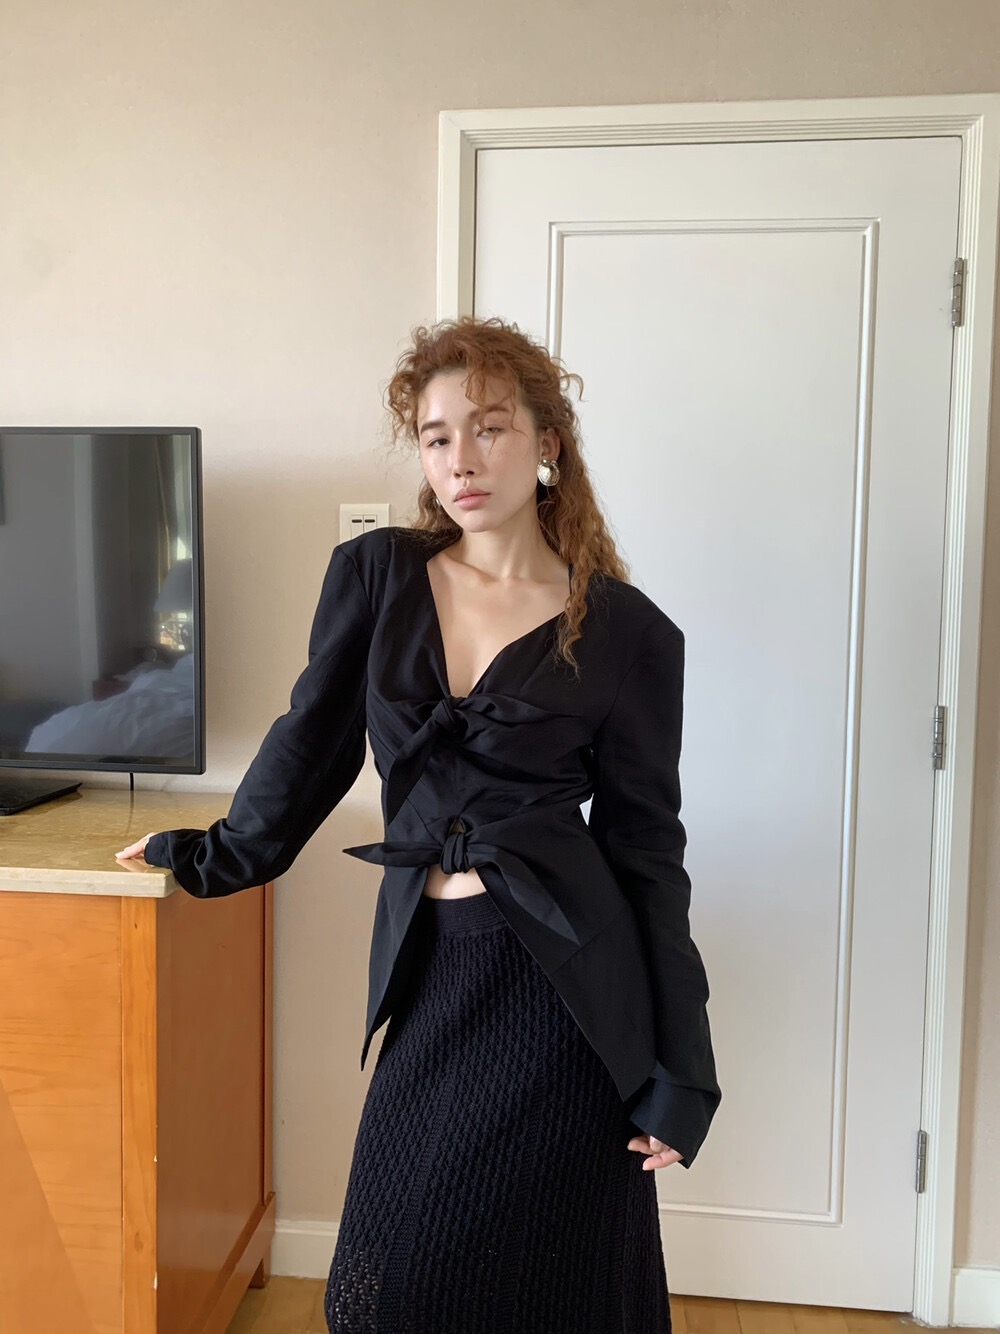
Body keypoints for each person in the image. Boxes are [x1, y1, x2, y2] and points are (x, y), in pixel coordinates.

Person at [115, 314, 721, 1333]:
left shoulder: (628, 632)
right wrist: (209, 855)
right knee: (377, 1285)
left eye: (489, 427)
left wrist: (684, 1073)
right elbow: (308, 744)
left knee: (556, 1279)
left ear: (547, 444)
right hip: (435, 963)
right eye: (437, 437)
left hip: (568, 990)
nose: (461, 459)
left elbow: (648, 852)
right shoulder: (379, 575)